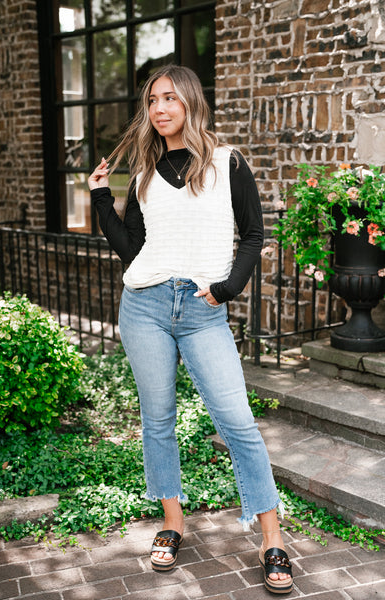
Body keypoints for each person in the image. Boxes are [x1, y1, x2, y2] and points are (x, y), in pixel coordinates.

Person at [88, 64, 293, 594]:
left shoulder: (227, 163)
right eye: (152, 100)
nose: (159, 108)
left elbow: (253, 235)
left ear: (190, 103)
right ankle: (172, 522)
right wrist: (98, 198)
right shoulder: (143, 177)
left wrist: (227, 289)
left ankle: (272, 536)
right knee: (157, 420)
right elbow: (134, 252)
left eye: (169, 99)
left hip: (203, 310)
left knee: (238, 420)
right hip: (145, 306)